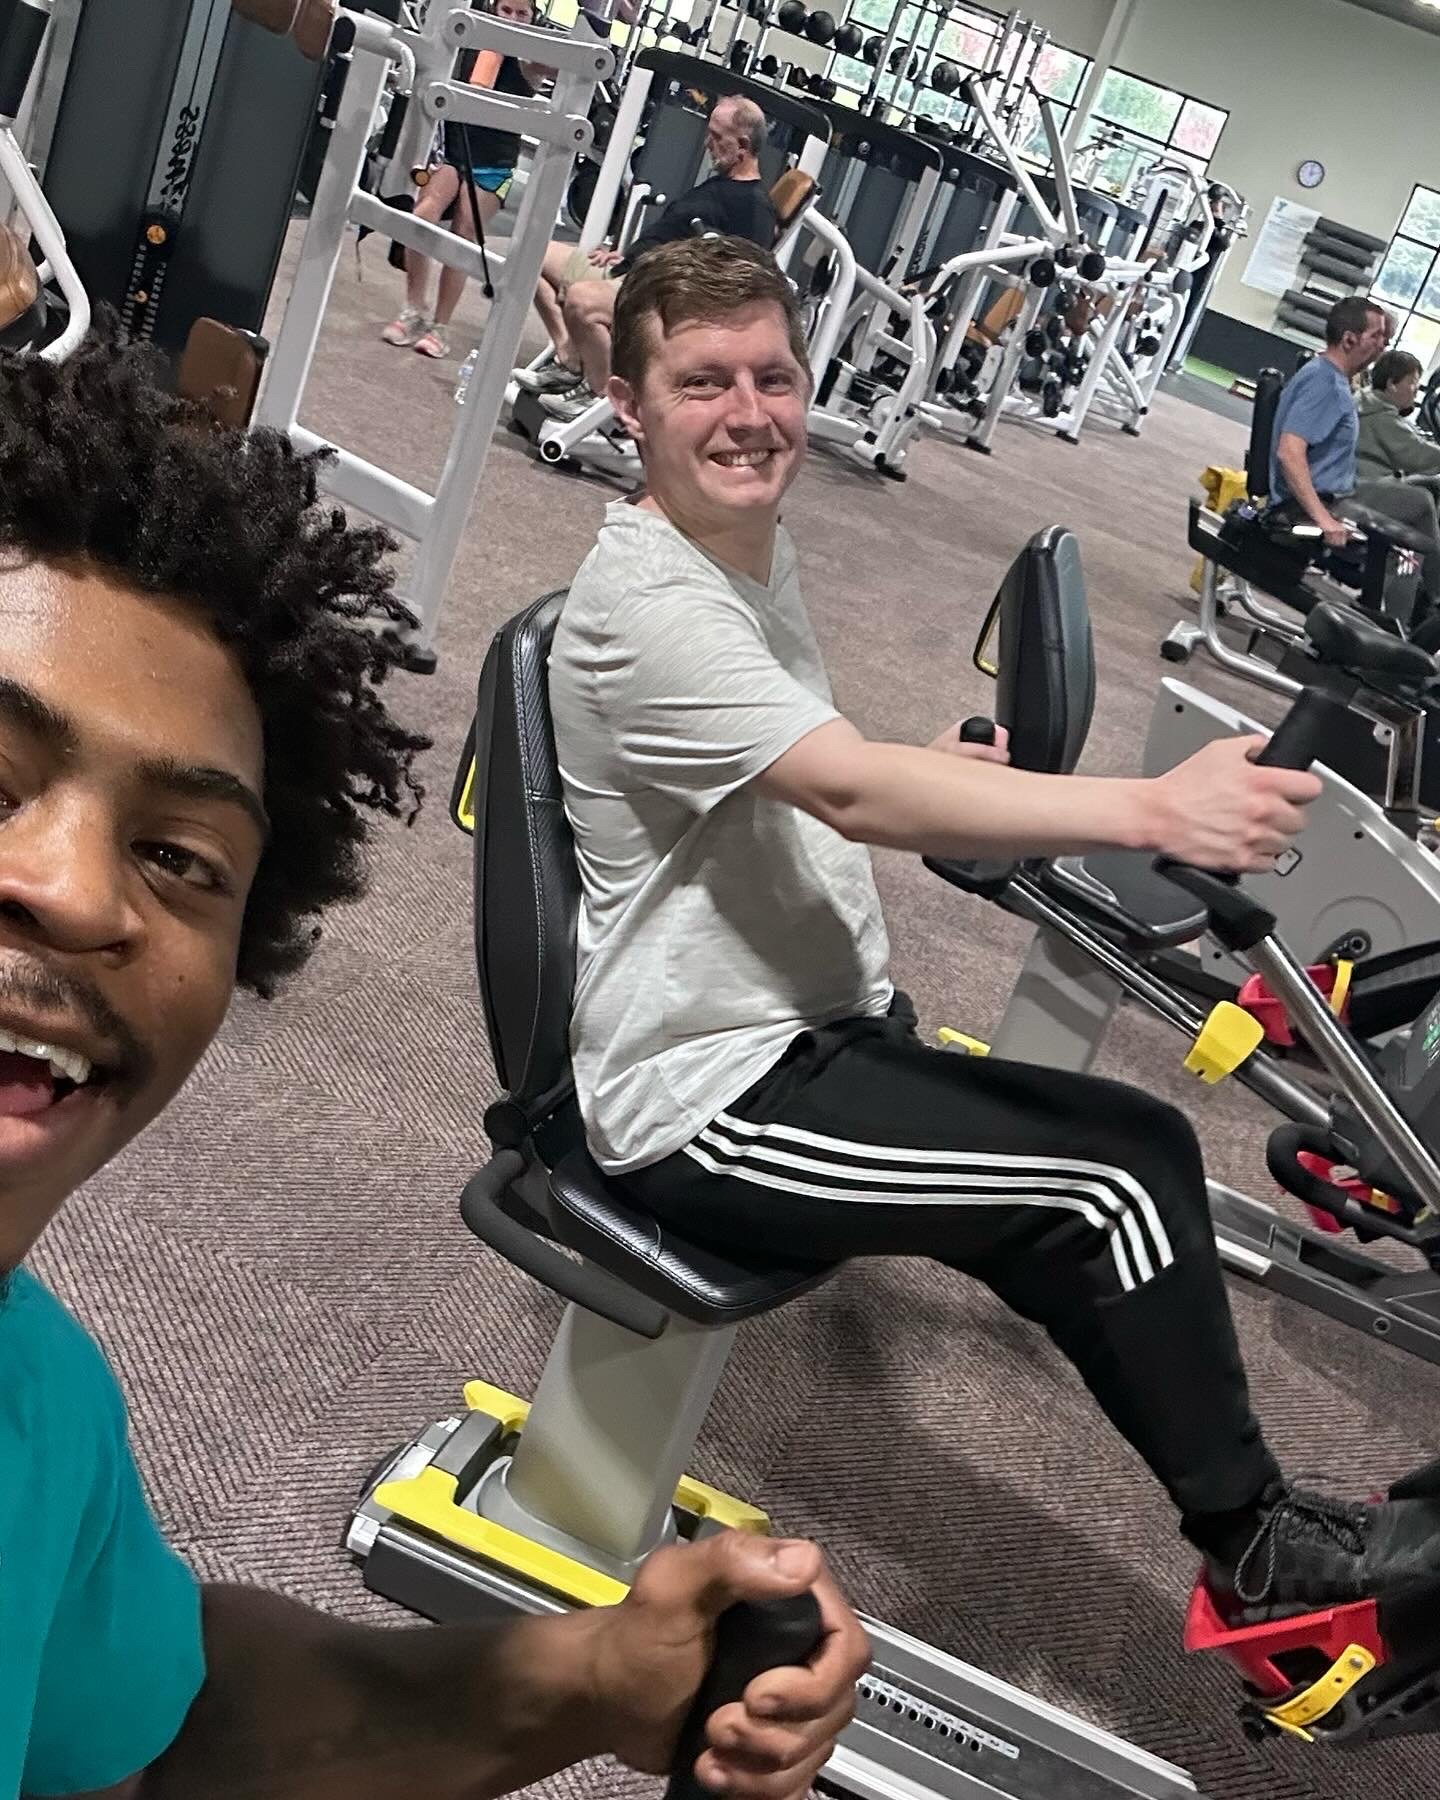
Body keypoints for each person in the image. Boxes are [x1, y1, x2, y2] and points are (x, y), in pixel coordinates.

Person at [0, 327, 868, 1799]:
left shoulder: (40, 1405)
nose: (84, 893)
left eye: (177, 856)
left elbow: (158, 1738)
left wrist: (587, 1676)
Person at [549, 235, 1440, 1631]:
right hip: (707, 1094)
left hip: (804, 1024)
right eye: (702, 383)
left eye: (773, 376)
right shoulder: (655, 606)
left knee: (1135, 1146)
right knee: (1110, 1187)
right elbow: (844, 789)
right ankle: (1257, 1551)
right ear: (631, 407)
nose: (751, 414)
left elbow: (813, 761)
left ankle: (1243, 1506)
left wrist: (955, 764)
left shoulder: (728, 547)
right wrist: (1155, 808)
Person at [516, 94, 777, 413]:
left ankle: (601, 394)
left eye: (716, 136)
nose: (708, 143)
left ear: (743, 145)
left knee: (582, 301)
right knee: (532, 254)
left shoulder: (753, 208)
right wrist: (625, 254)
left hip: (660, 299)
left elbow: (738, 286)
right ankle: (570, 359)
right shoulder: (720, 183)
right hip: (632, 272)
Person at [380, 0, 552, 361]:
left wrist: (527, 45)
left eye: (523, 14)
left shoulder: (528, 58)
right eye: (507, 10)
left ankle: (440, 327)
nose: (514, 19)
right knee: (422, 216)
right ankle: (414, 309)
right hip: (452, 150)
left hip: (495, 162)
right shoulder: (470, 36)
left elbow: (549, 64)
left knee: (464, 233)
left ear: (534, 17)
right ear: (494, 8)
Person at [1268, 294, 1440, 624]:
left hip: (1341, 490)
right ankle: (1400, 626)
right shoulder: (1325, 382)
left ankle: (1411, 611)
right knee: (1418, 506)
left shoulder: (1331, 378)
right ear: (1349, 339)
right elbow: (1289, 453)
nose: (1383, 345)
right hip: (1326, 501)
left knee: (1419, 502)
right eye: (1377, 337)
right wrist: (1324, 519)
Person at [1356, 346, 1440, 494]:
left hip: (1365, 479)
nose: (1416, 390)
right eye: (1413, 382)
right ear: (1392, 384)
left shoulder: (1368, 401)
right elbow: (1418, 453)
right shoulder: (1382, 417)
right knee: (1425, 498)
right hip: (1366, 486)